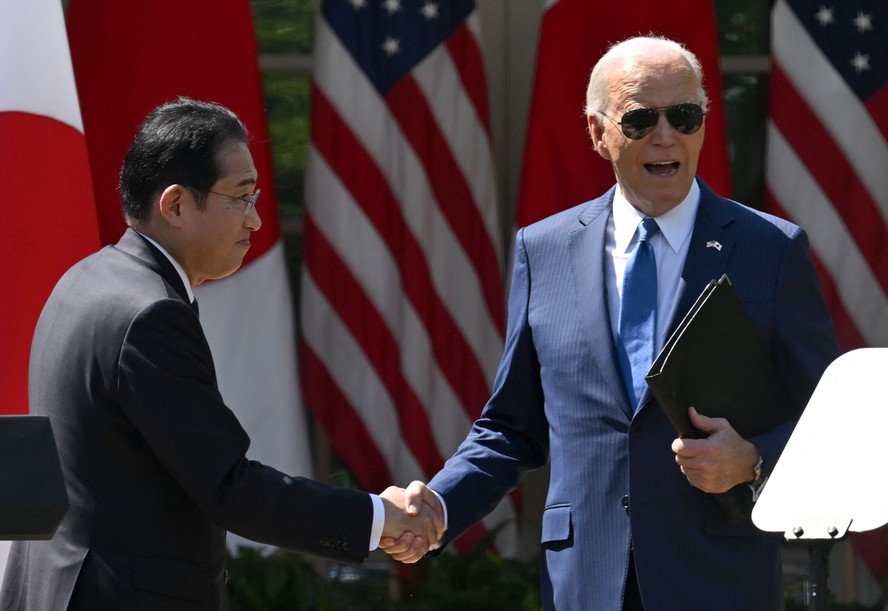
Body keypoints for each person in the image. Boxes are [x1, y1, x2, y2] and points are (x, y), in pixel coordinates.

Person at [383, 36, 839, 609]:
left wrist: (752, 460)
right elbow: (510, 427)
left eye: (684, 116)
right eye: (641, 118)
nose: (665, 136)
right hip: (584, 581)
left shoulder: (770, 250)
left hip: (717, 579)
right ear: (599, 133)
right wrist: (439, 506)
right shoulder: (542, 249)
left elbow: (828, 418)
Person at [0, 97, 441, 610]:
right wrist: (379, 517)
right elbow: (231, 487)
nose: (255, 221)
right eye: (241, 198)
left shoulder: (85, 280)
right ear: (177, 205)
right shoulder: (150, 315)